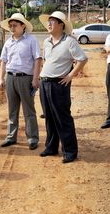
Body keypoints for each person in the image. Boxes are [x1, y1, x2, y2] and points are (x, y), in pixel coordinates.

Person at [38, 11, 88, 163]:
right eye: (49, 21)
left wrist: (71, 75)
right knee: (49, 117)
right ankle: (51, 147)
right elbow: (47, 60)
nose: (49, 24)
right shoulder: (46, 42)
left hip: (59, 84)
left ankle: (70, 151)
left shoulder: (70, 41)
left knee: (63, 118)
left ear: (61, 25)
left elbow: (82, 59)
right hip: (44, 82)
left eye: (53, 21)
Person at [0, 13, 41, 150]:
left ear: (23, 26)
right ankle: (11, 137)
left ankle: (32, 138)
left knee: (29, 110)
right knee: (12, 109)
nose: (12, 28)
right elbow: (3, 61)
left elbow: (38, 59)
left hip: (25, 78)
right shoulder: (8, 42)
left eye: (15, 25)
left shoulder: (31, 40)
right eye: (10, 26)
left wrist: (35, 78)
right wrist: (1, 78)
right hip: (10, 78)